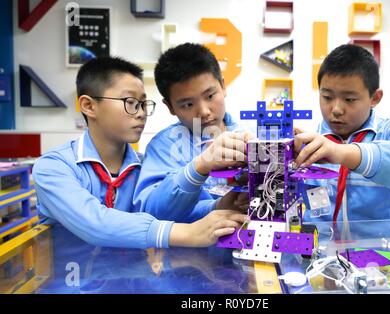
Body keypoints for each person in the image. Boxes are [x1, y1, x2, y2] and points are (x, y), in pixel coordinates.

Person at [33, 56, 246, 249]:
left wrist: (217, 206)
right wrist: (188, 233)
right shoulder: (54, 168)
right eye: (131, 103)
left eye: (144, 103)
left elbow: (174, 215)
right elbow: (95, 222)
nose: (142, 113)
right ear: (88, 106)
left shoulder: (143, 168)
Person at [293, 44, 390, 223]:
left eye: (349, 99)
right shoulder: (308, 139)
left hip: (382, 248)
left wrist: (343, 153)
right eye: (327, 97)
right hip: (322, 247)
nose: (336, 109)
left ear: (375, 98)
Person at [134, 43, 253, 223]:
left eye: (210, 96)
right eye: (188, 104)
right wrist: (199, 167)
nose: (204, 111)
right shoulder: (164, 146)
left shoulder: (253, 134)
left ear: (223, 86)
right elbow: (151, 213)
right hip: (194, 251)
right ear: (170, 107)